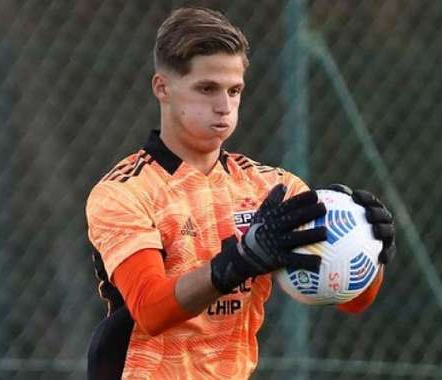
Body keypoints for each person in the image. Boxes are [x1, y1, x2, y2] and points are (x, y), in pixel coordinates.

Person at [85, 7, 395, 379]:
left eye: (235, 91)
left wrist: (369, 252)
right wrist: (240, 261)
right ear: (162, 87)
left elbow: (352, 300)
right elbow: (151, 310)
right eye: (207, 88)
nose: (224, 106)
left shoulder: (271, 188)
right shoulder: (125, 191)